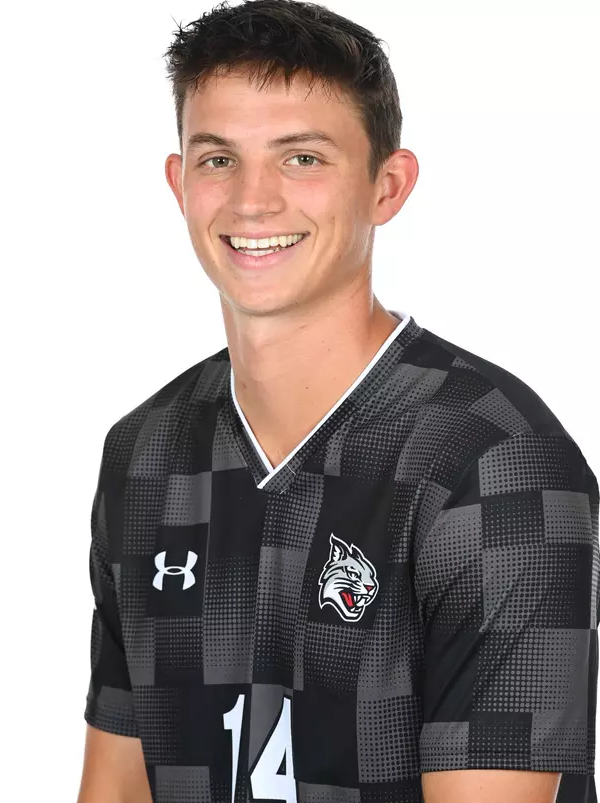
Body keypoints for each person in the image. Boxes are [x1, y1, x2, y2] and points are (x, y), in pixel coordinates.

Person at [76, 1, 599, 801]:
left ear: (386, 186)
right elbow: (115, 787)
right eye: (219, 159)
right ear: (180, 182)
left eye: (301, 159)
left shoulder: (496, 464)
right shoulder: (143, 452)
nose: (252, 201)